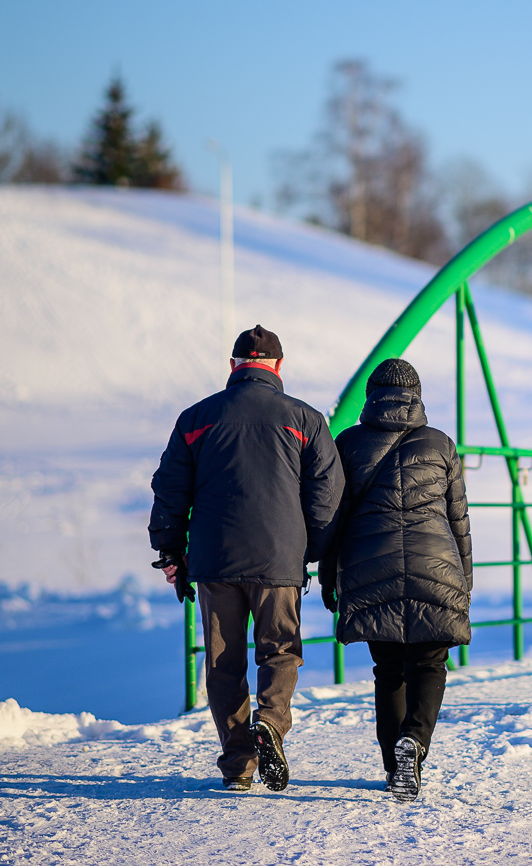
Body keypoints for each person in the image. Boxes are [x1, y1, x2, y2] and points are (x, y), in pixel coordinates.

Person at [149, 325, 343, 792]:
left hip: (214, 562)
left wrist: (171, 549)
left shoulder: (195, 418)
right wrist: (310, 549)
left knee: (223, 664)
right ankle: (271, 724)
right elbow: (328, 495)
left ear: (234, 366)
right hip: (279, 560)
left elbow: (170, 490)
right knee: (279, 650)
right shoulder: (306, 418)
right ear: (278, 367)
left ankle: (238, 765)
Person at [324, 358, 471, 802]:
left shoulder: (347, 443)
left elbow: (334, 517)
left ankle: (394, 765)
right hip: (436, 566)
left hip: (372, 568)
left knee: (388, 670)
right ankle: (416, 741)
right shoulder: (441, 444)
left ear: (371, 395)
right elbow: (458, 518)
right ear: (417, 395)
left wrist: (330, 576)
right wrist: (462, 579)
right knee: (429, 664)